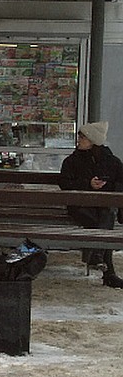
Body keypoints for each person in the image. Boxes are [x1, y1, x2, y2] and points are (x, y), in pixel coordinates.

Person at [58, 121, 123, 287]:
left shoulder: (112, 162)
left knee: (105, 217)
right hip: (80, 207)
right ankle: (106, 269)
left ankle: (98, 256)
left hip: (103, 208)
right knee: (104, 227)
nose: (78, 140)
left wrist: (106, 186)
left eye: (83, 137)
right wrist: (88, 184)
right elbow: (65, 183)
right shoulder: (72, 161)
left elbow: (121, 183)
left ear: (93, 141)